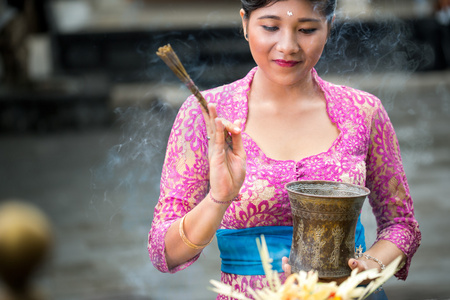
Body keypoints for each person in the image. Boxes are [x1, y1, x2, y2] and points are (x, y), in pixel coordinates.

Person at [148, 0, 421, 299]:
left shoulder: (363, 112)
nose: (288, 45)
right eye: (270, 27)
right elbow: (164, 253)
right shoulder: (206, 116)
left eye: (306, 29)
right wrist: (218, 199)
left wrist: (364, 269)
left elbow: (401, 225)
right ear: (245, 24)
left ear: (328, 27)